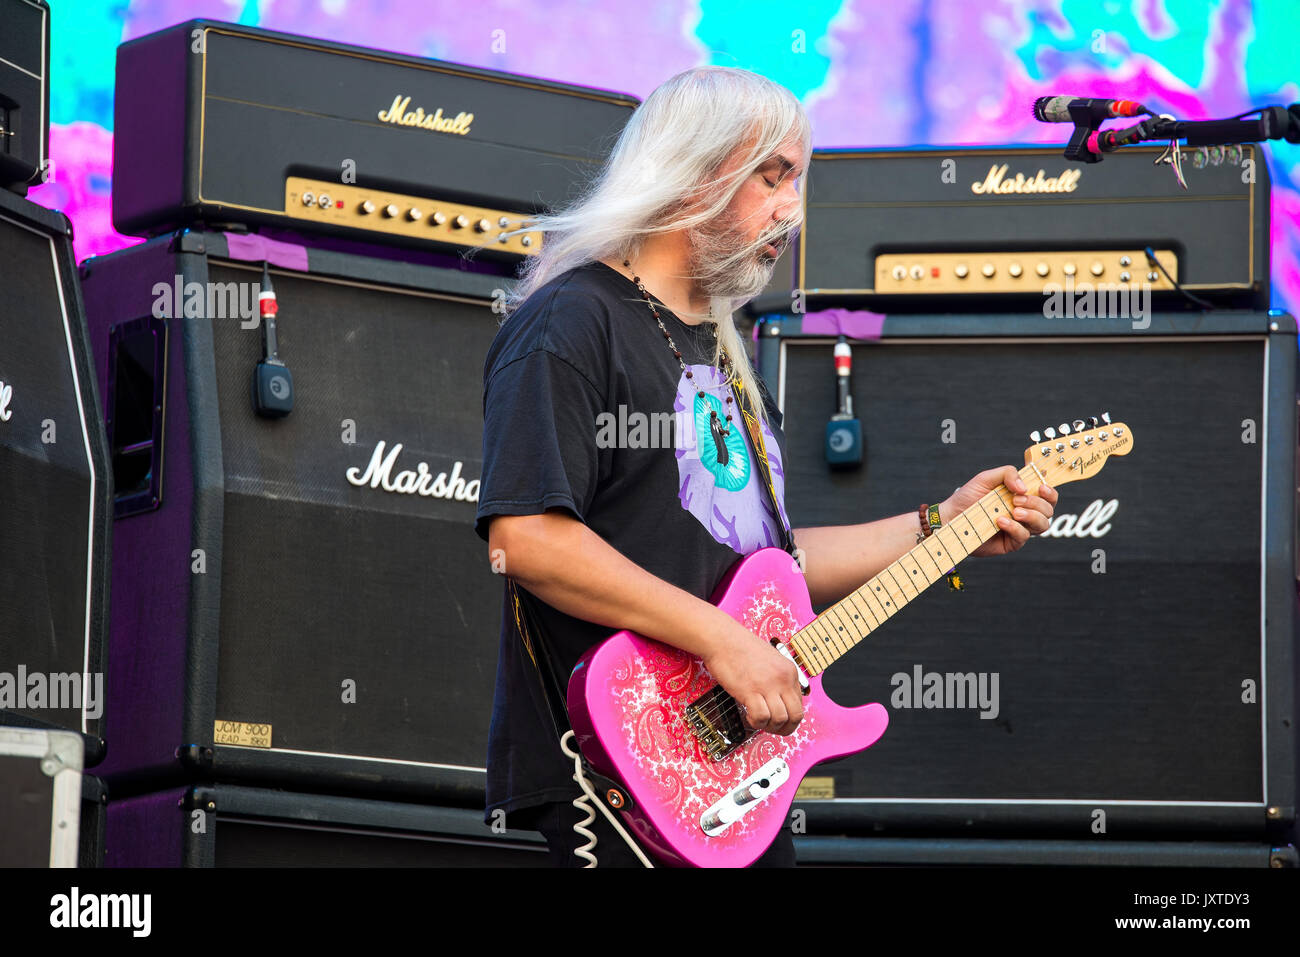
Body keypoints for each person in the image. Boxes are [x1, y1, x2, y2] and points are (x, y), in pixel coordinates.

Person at [473, 66, 1058, 867]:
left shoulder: (722, 349)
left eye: (800, 180)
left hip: (729, 764)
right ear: (687, 176)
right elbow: (530, 537)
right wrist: (724, 641)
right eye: (772, 177)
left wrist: (939, 526)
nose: (794, 207)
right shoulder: (572, 323)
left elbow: (763, 569)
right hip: (616, 767)